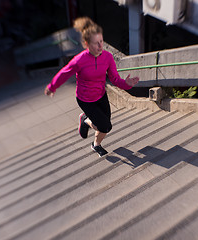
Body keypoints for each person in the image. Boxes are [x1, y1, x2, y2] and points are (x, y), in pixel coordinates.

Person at [44, 17, 139, 157]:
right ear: (86, 44)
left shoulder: (107, 57)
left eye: (101, 41)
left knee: (105, 126)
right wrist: (52, 86)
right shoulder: (79, 60)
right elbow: (64, 73)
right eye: (96, 43)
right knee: (105, 126)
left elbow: (115, 79)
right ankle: (85, 120)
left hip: (101, 96)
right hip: (85, 99)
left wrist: (126, 84)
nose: (100, 46)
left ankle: (96, 145)